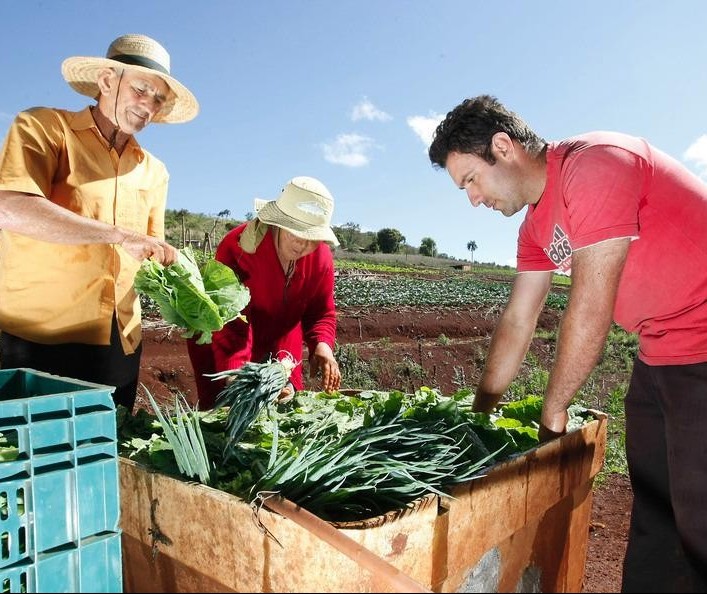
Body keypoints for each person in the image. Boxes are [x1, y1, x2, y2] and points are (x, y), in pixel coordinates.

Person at [428, 94, 707, 593]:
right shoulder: (535, 227)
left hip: (703, 344)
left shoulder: (595, 164)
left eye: (471, 179)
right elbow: (519, 320)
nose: (472, 198)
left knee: (700, 518)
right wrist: (481, 411)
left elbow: (591, 306)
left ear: (502, 146)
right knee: (657, 522)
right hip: (659, 350)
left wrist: (552, 417)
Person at [0, 34, 199, 412]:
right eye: (142, 89)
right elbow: (11, 207)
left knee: (107, 454)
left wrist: (185, 296)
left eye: (158, 98)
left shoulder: (154, 171)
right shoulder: (44, 127)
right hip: (40, 334)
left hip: (118, 341)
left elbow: (148, 254)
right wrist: (118, 235)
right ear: (108, 81)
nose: (149, 106)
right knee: (34, 459)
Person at [187, 175, 342, 408]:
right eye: (294, 233)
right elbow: (230, 322)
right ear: (278, 223)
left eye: (310, 238)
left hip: (281, 338)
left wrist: (323, 345)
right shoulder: (237, 248)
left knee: (283, 412)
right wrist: (238, 378)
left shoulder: (321, 258)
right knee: (224, 417)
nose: (301, 245)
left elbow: (321, 311)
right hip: (224, 337)